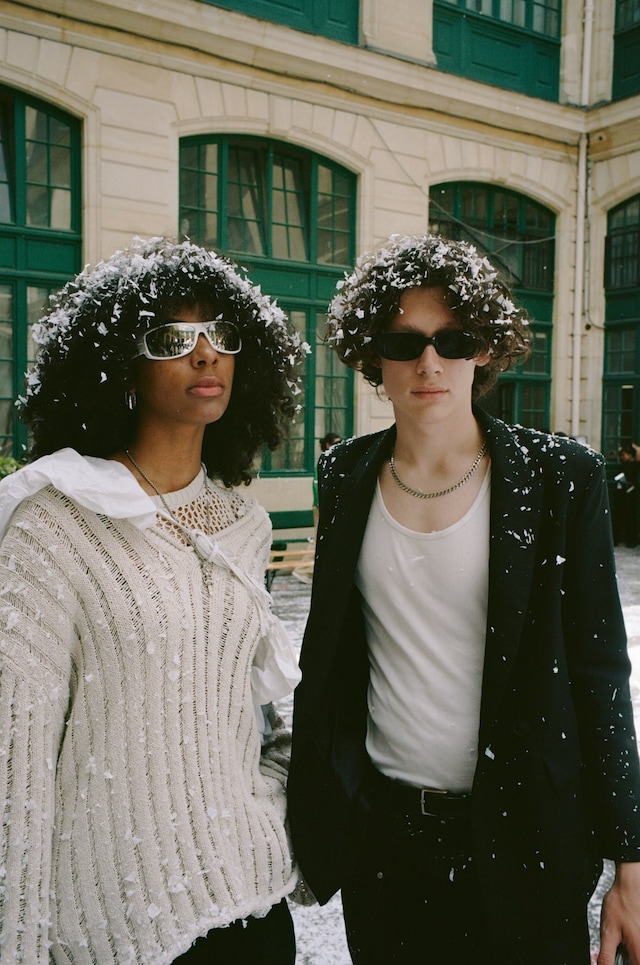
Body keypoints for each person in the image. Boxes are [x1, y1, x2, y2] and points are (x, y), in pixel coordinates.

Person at [287, 234, 640, 964]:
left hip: (526, 840)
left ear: (483, 349)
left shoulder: (561, 477)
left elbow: (599, 671)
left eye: (453, 339)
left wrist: (629, 860)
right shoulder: (345, 473)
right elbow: (334, 661)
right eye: (404, 342)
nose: (429, 362)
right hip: (385, 845)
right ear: (373, 356)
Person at [0, 237, 308, 964]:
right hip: (114, 928)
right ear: (120, 369)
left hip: (253, 912)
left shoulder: (245, 526)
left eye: (221, 336)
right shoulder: (55, 520)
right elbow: (17, 762)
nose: (205, 355)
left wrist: (268, 814)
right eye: (172, 339)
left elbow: (251, 708)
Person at [613, 442, 640, 549]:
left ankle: (630, 539)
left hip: (631, 495)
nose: (622, 457)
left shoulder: (635, 465)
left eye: (624, 455)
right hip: (622, 494)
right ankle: (618, 538)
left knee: (630, 518)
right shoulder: (624, 465)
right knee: (619, 517)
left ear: (630, 455)